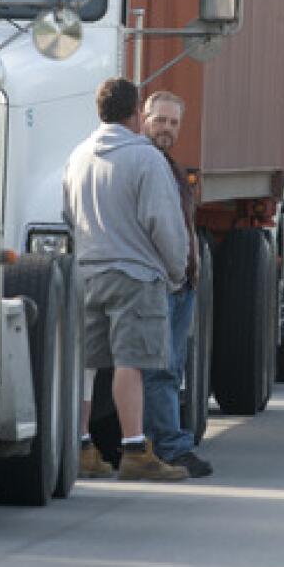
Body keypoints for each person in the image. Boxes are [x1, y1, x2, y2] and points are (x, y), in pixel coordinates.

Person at [63, 78, 189, 481]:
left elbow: (67, 214)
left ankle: (82, 447)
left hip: (88, 271)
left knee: (86, 364)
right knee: (130, 363)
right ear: (136, 113)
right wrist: (176, 269)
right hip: (136, 276)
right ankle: (135, 450)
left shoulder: (79, 155)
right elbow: (164, 224)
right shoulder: (146, 158)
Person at [141, 91, 212, 477]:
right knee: (161, 369)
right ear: (143, 119)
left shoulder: (168, 165)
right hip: (163, 282)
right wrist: (172, 272)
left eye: (173, 122)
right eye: (160, 120)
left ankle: (160, 442)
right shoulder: (146, 163)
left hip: (181, 283)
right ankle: (170, 447)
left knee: (172, 367)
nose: (166, 128)